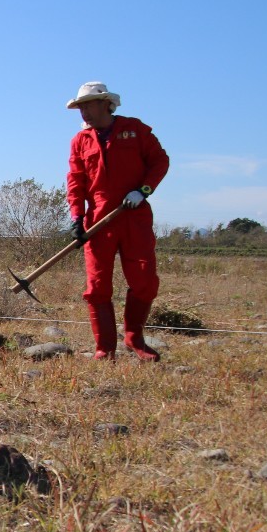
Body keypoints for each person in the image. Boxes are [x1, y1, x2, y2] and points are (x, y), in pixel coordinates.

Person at [65, 81, 170, 361]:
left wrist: (144, 190)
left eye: (88, 105)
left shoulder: (135, 129)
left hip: (134, 216)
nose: (83, 112)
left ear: (105, 103)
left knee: (145, 280)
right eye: (80, 107)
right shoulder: (80, 141)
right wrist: (77, 217)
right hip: (97, 221)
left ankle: (134, 338)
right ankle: (104, 349)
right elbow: (75, 181)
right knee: (97, 286)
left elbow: (160, 161)